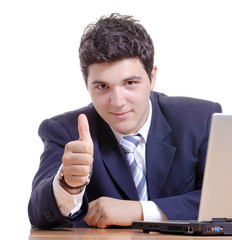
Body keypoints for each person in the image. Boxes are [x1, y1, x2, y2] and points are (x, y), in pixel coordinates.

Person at [28, 13, 222, 229]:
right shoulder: (65, 131)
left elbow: (228, 198)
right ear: (86, 83)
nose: (118, 102)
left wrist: (140, 211)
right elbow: (38, 215)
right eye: (102, 86)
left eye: (130, 83)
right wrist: (68, 185)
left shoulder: (200, 119)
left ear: (152, 77)